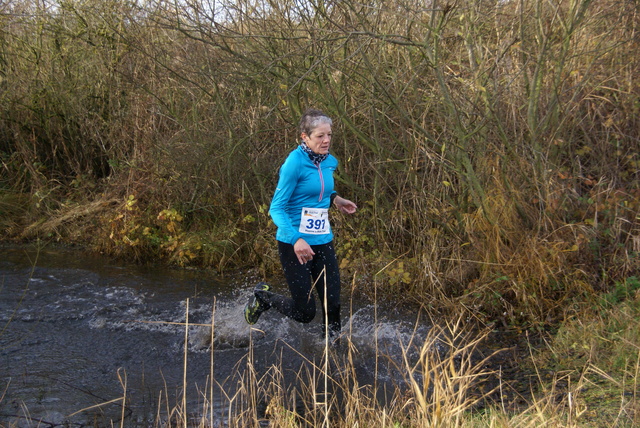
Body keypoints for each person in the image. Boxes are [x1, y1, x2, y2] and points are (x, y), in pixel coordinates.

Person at [244, 108, 357, 341]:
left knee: (332, 304)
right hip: (294, 244)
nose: (326, 140)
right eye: (320, 136)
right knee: (305, 312)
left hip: (323, 240)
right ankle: (262, 298)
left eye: (329, 135)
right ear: (304, 137)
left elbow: (319, 188)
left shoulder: (329, 161)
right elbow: (276, 208)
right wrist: (297, 239)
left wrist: (335, 199)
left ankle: (330, 352)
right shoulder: (294, 164)